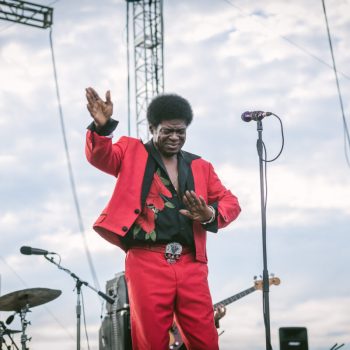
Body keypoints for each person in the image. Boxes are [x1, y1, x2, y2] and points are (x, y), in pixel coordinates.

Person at [85, 87, 241, 350]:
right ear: (152, 128)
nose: (174, 137)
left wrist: (209, 214)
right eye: (167, 130)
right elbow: (102, 157)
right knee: (150, 340)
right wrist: (102, 129)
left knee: (205, 338)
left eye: (180, 131)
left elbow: (231, 202)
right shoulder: (131, 151)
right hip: (147, 259)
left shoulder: (200, 166)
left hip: (191, 261)